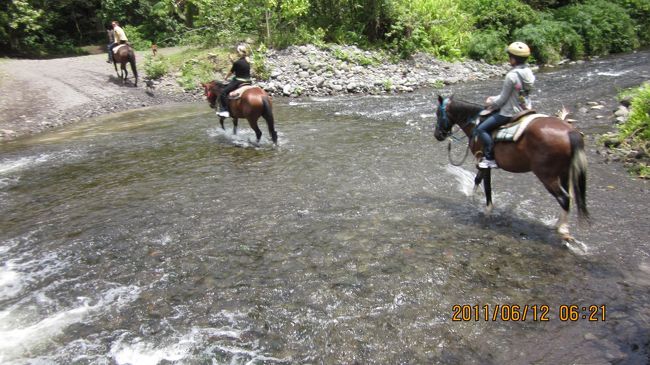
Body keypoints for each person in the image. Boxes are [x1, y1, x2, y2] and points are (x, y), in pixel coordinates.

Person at [476, 41, 535, 169]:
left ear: (513, 59)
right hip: (526, 109)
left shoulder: (511, 76)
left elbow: (502, 100)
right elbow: (518, 93)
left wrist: (490, 101)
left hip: (510, 112)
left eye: (510, 57)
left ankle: (490, 158)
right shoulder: (529, 72)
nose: (509, 59)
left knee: (481, 129)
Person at [217, 44, 252, 118]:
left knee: (223, 92)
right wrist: (231, 60)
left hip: (239, 81)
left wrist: (226, 77)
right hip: (248, 81)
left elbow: (231, 72)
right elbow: (238, 65)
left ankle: (225, 111)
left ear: (238, 52)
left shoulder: (237, 63)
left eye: (237, 51)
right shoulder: (248, 60)